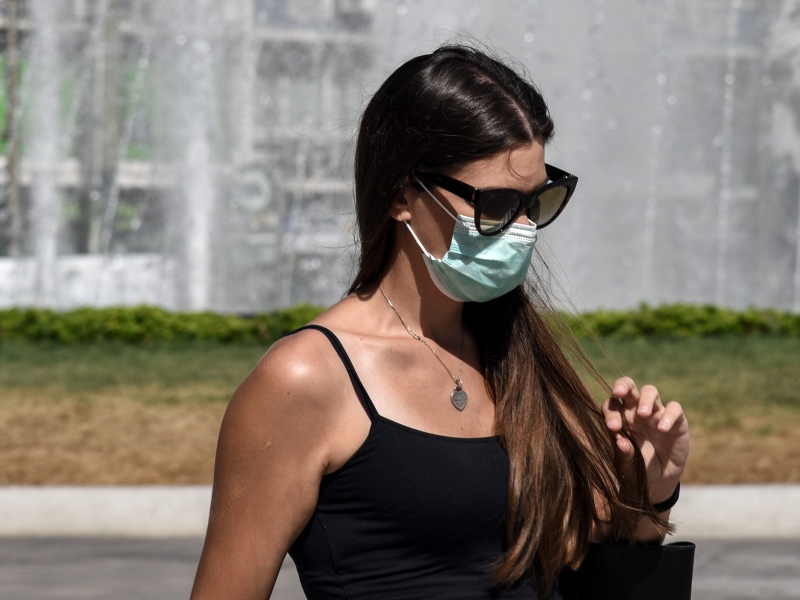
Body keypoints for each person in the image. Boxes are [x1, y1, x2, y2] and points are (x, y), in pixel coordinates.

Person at [191, 44, 692, 600]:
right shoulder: (305, 378)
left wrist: (650, 489)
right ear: (402, 195)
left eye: (537, 202)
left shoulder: (516, 347)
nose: (523, 229)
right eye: (496, 205)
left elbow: (583, 556)